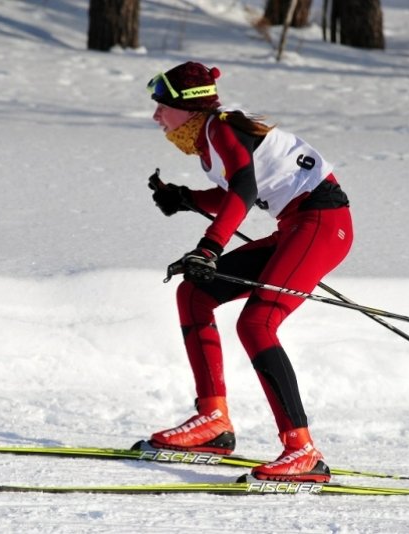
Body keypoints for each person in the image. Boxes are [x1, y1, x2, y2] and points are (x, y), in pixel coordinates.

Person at [145, 61, 353, 483]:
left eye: (161, 106)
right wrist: (185, 197)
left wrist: (210, 246)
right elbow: (234, 193)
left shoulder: (220, 128)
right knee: (194, 293)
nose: (155, 116)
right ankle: (213, 420)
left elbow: (245, 190)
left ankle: (303, 450)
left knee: (258, 323)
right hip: (297, 227)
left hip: (323, 224)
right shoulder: (213, 136)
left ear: (188, 108)